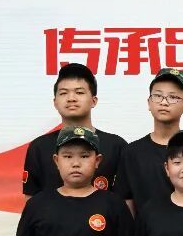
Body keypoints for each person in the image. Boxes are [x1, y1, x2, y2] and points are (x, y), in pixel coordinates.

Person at [22, 63, 125, 198]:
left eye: (79, 92)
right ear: (55, 102)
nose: (71, 99)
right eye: (64, 93)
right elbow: (31, 202)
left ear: (94, 101)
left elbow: (125, 200)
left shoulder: (116, 146)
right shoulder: (38, 147)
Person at [115, 68, 183, 216]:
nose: (164, 102)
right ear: (149, 102)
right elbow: (126, 200)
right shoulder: (132, 152)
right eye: (158, 96)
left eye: (173, 97)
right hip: (146, 230)